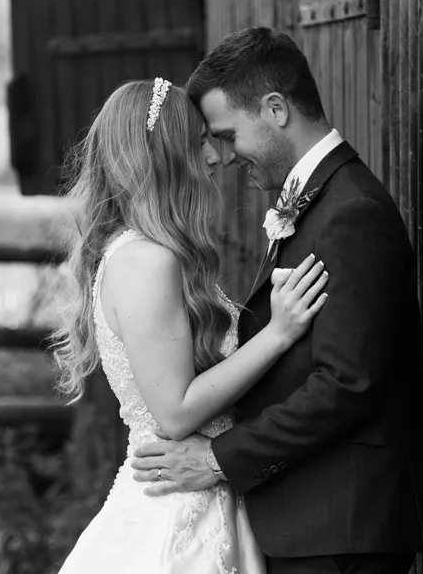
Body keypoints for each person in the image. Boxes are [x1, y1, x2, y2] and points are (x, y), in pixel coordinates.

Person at [131, 27, 423, 574]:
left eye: (228, 135)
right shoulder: (317, 199)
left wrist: (216, 458)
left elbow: (347, 384)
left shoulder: (352, 212)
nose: (224, 157)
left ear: (275, 109)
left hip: (344, 524)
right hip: (315, 517)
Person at [51, 77, 328, 574]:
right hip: (176, 512)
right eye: (200, 142)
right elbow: (175, 414)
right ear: (165, 155)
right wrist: (278, 334)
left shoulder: (151, 253)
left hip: (207, 495)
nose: (216, 157)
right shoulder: (145, 261)